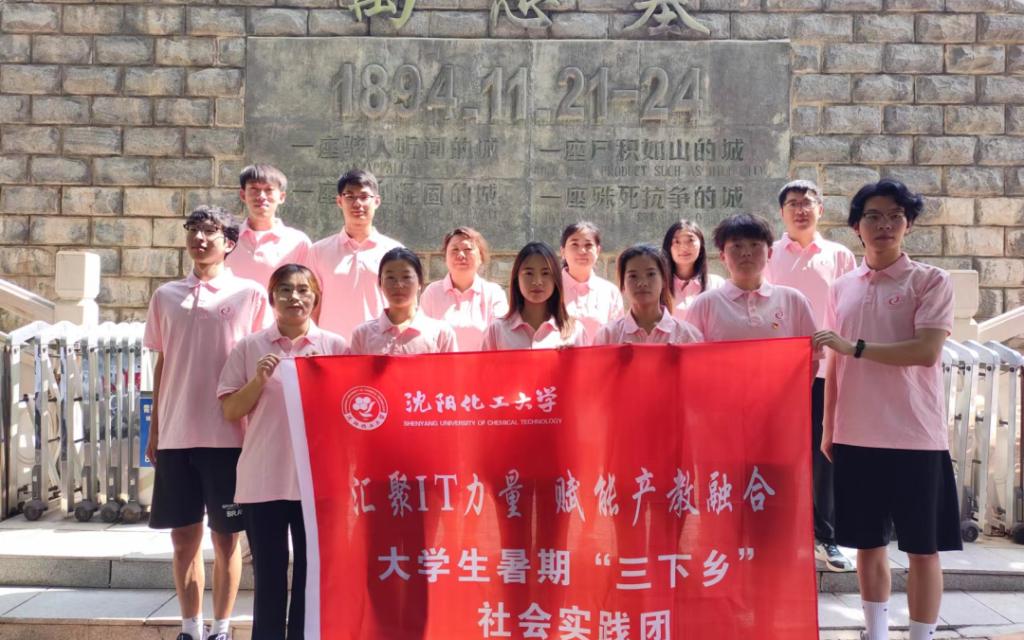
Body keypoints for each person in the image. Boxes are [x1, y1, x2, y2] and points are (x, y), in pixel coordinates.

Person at [813, 179, 960, 640]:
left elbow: (926, 351)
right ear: (856, 226)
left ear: (908, 225)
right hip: (856, 434)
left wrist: (855, 347)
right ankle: (874, 632)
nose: (885, 225)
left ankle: (921, 635)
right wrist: (829, 427)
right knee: (868, 544)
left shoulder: (931, 281)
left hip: (916, 436)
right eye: (873, 216)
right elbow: (834, 363)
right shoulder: (842, 287)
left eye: (895, 216)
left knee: (923, 548)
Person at [143, 205, 271, 640]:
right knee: (183, 537)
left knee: (226, 537)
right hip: (177, 435)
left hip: (230, 436)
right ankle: (190, 627)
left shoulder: (250, 294)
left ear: (229, 243)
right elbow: (163, 363)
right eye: (193, 230)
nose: (199, 238)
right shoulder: (165, 296)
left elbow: (259, 364)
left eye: (210, 232)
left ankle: (222, 627)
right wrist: (156, 428)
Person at [218, 265, 346, 640]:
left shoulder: (335, 348)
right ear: (272, 297)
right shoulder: (250, 347)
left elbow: (348, 411)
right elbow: (231, 410)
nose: (295, 297)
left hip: (316, 483)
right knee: (269, 576)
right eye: (286, 290)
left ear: (316, 298)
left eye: (304, 290)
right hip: (264, 479)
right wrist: (258, 380)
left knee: (311, 575)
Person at [768, 179, 858, 573]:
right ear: (782, 212)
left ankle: (826, 536)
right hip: (777, 375)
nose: (800, 209)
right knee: (778, 454)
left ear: (821, 209)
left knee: (823, 455)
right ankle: (778, 532)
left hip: (825, 371)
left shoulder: (839, 256)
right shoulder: (769, 254)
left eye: (807, 203)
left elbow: (850, 310)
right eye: (792, 203)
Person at [686, 213, 818, 346]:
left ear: (769, 253)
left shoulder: (793, 301)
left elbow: (812, 355)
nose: (746, 253)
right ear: (723, 256)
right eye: (737, 246)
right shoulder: (704, 305)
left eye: (754, 245)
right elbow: (689, 355)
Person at [308, 169, 403, 339]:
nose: (357, 203)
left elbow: (404, 304)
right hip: (332, 347)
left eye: (364, 196)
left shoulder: (394, 251)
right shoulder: (318, 251)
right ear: (339, 201)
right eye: (350, 196)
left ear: (377, 201)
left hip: (379, 345)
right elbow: (311, 306)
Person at [350, 248, 458, 355]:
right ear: (380, 283)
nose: (398, 284)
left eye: (406, 277)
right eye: (390, 277)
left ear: (420, 282)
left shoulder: (441, 334)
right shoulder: (363, 335)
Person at [482, 241, 586, 350]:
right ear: (517, 279)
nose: (537, 281)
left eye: (545, 273)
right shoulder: (497, 330)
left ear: (556, 279)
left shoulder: (574, 331)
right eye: (529, 273)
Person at [593, 244, 703, 345]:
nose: (642, 283)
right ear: (622, 284)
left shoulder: (688, 336)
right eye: (633, 276)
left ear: (664, 280)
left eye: (651, 274)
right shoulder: (607, 336)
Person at [420, 227, 508, 351]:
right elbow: (422, 338)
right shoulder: (432, 293)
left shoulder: (494, 293)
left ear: (481, 257)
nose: (461, 255)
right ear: (445, 257)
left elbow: (502, 337)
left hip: (484, 363)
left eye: (468, 249)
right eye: (454, 249)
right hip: (441, 363)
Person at [225, 164, 312, 287]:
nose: (261, 196)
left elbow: (309, 288)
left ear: (281, 197)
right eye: (254, 189)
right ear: (243, 195)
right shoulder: (226, 238)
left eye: (269, 190)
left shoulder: (298, 242)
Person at [558, 221, 623, 343]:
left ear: (597, 251)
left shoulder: (610, 292)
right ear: (563, 251)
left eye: (588, 245)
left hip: (601, 355)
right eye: (574, 244)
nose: (582, 251)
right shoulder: (552, 288)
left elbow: (617, 336)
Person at [661, 219, 725, 322]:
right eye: (676, 242)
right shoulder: (659, 285)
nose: (684, 247)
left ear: (701, 245)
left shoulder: (717, 284)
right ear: (668, 247)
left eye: (690, 240)